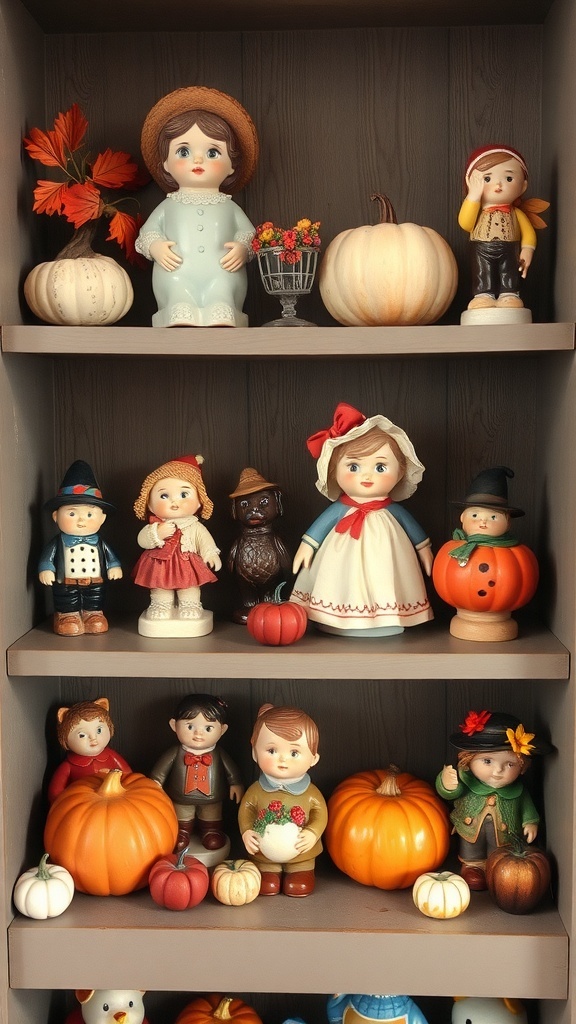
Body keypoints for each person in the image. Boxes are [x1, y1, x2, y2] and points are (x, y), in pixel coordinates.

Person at [290, 402, 433, 636]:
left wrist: (424, 550)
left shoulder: (393, 511)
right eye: (354, 466)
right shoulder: (340, 509)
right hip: (340, 554)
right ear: (334, 470)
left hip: (387, 556)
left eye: (380, 467)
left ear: (400, 472)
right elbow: (321, 527)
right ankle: (336, 616)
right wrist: (308, 546)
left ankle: (387, 617)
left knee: (385, 578)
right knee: (339, 577)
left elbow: (413, 529)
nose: (366, 475)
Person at [136, 85, 259, 327]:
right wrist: (155, 246)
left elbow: (248, 233)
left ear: (231, 165)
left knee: (222, 291)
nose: (198, 159)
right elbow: (147, 233)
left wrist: (243, 249)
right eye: (184, 151)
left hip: (222, 274)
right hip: (176, 275)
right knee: (178, 293)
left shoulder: (229, 207)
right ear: (166, 163)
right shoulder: (168, 206)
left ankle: (222, 307)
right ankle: (177, 307)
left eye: (213, 152)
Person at [436, 709, 552, 891]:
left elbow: (527, 807)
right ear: (468, 759)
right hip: (470, 829)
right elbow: (452, 793)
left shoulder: (518, 791)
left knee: (500, 852)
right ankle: (473, 867)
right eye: (487, 761)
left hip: (505, 835)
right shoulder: (467, 781)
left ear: (522, 766)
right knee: (472, 848)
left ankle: (496, 869)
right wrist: (446, 784)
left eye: (510, 764)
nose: (498, 770)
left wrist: (531, 822)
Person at [238, 703, 328, 897]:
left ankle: (300, 872)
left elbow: (320, 813)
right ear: (254, 752)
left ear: (314, 758)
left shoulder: (311, 793)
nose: (283, 760)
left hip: (301, 854)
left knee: (301, 867)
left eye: (294, 753)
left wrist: (312, 833)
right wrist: (246, 832)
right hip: (264, 855)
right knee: (266, 873)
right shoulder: (256, 791)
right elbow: (246, 810)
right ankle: (268, 872)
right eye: (272, 751)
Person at [132, 453, 221, 634]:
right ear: (150, 504)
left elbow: (204, 540)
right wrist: (157, 533)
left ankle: (190, 604)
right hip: (159, 564)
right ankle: (160, 605)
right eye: (164, 495)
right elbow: (142, 540)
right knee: (159, 587)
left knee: (189, 586)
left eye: (184, 494)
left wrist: (210, 553)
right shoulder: (155, 525)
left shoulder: (194, 526)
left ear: (199, 502)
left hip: (186, 563)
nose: (174, 501)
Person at [458, 144, 548, 311]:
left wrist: (527, 250)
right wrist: (473, 197)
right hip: (481, 247)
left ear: (523, 186)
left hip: (509, 248)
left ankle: (509, 293)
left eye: (508, 178)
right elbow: (466, 223)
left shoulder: (516, 214)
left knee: (509, 270)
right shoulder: (477, 210)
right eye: (487, 179)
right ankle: (483, 295)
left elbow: (528, 233)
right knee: (482, 271)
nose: (498, 185)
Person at [149, 693, 243, 854]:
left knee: (211, 816)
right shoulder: (175, 753)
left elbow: (231, 770)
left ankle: (211, 832)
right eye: (190, 727)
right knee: (182, 816)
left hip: (212, 798)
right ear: (174, 725)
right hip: (181, 798)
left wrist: (236, 783)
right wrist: (155, 784)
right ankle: (182, 832)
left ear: (222, 730)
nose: (198, 734)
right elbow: (160, 772)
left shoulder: (219, 754)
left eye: (208, 728)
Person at [38, 460, 123, 637]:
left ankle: (93, 614)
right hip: (66, 583)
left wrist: (114, 566)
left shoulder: (100, 542)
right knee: (66, 600)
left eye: (90, 514)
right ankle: (67, 616)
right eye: (72, 513)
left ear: (102, 519)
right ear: (56, 516)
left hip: (95, 581)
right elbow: (48, 557)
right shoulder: (58, 542)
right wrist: (46, 568)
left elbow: (110, 556)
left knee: (95, 599)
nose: (81, 520)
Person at [227, 467, 291, 623]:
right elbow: (231, 566)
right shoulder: (239, 543)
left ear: (277, 504)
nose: (254, 510)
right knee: (247, 594)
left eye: (264, 502)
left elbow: (286, 566)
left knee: (270, 594)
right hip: (245, 582)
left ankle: (270, 606)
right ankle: (250, 606)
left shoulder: (275, 540)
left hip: (272, 583)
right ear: (234, 509)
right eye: (244, 504)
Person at [47, 697, 131, 804]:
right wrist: (59, 804)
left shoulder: (111, 755)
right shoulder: (68, 766)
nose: (93, 738)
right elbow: (56, 792)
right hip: (82, 804)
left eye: (99, 730)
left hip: (115, 799)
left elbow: (128, 775)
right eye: (82, 735)